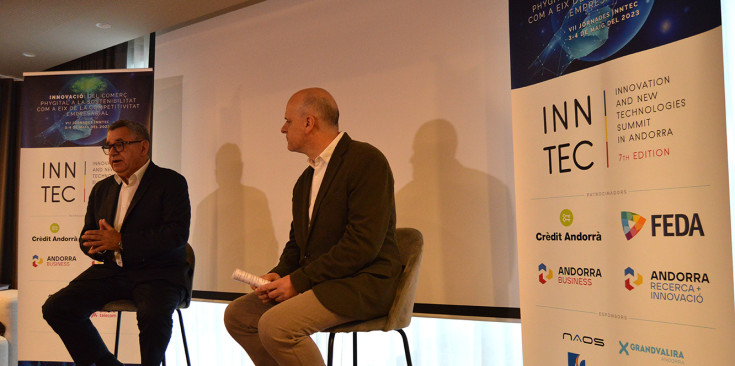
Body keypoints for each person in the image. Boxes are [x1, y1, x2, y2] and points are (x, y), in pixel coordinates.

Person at [224, 88, 402, 365]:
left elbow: (362, 245)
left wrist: (297, 281)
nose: (283, 128)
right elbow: (298, 244)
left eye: (288, 121)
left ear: (308, 123)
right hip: (326, 281)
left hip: (362, 283)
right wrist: (280, 273)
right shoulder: (306, 179)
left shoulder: (366, 161)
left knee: (276, 326)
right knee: (239, 316)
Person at [42, 120, 191, 366]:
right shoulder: (102, 188)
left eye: (120, 145)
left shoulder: (170, 182)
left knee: (153, 316)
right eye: (109, 146)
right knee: (57, 307)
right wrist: (95, 244)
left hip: (159, 273)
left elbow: (176, 235)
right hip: (114, 271)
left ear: (143, 148)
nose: (112, 152)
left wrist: (121, 241)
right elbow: (87, 236)